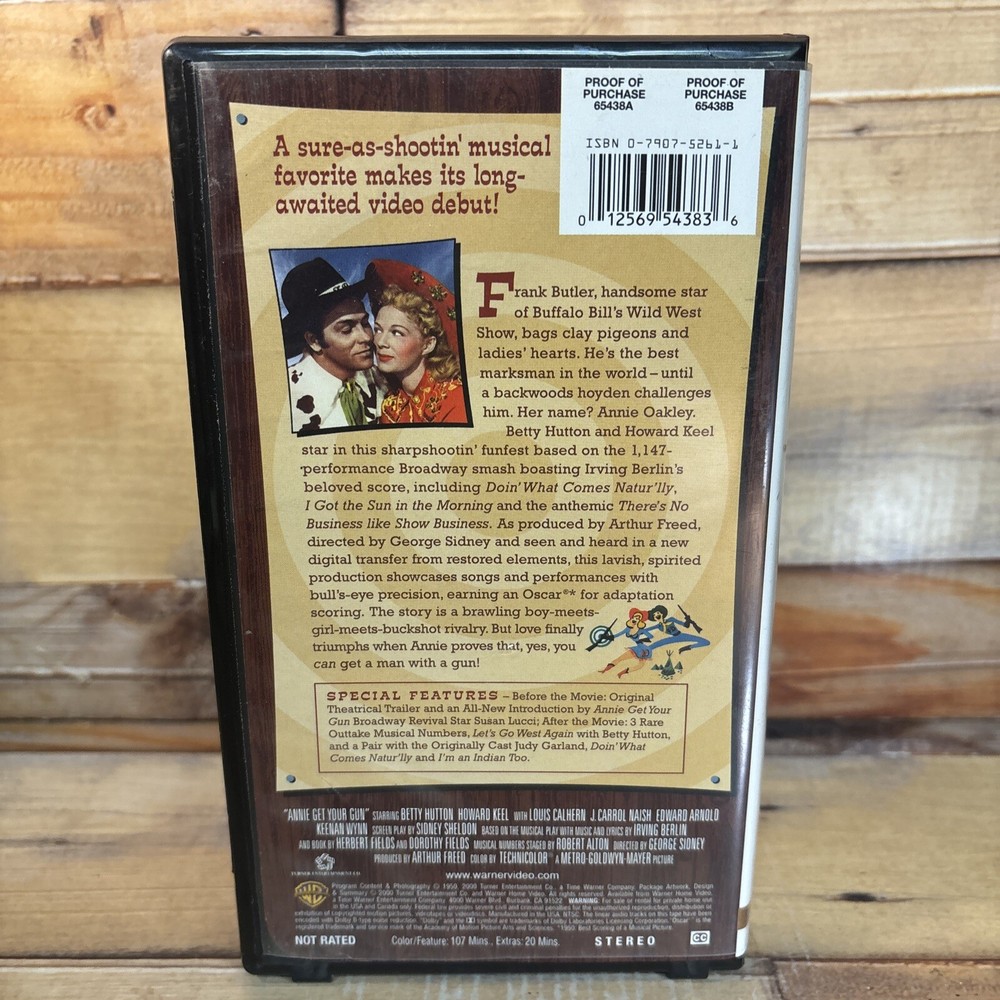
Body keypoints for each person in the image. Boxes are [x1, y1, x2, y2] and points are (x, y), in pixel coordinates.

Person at [281, 257, 383, 432]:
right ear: (314, 341)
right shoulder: (285, 398)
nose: (366, 336)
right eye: (346, 329)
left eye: (365, 323)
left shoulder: (383, 379)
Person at [365, 259, 468, 425]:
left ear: (427, 345)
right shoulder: (391, 407)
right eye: (378, 330)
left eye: (396, 332)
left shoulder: (454, 397)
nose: (381, 342)